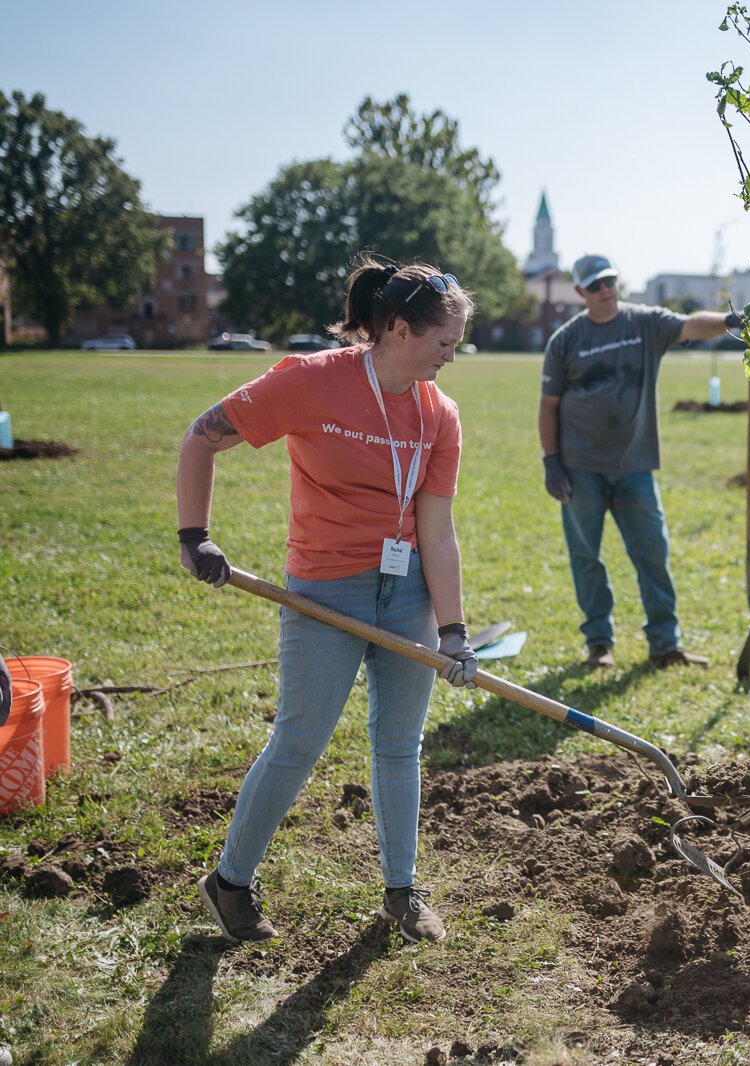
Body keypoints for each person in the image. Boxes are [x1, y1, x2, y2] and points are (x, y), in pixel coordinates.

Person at [176, 256, 480, 944]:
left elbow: (436, 528)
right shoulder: (312, 382)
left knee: (400, 746)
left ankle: (401, 893)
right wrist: (195, 536)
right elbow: (203, 436)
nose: (450, 359)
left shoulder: (440, 415)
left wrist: (454, 631)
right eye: (443, 344)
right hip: (323, 590)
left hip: (406, 594)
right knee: (298, 743)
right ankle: (229, 883)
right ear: (400, 329)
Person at [539, 254, 739, 670]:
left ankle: (665, 644)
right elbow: (548, 406)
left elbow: (690, 325)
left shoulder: (643, 323)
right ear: (580, 292)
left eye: (610, 280)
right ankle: (599, 643)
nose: (605, 290)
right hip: (580, 467)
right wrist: (551, 462)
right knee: (586, 556)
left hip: (635, 466)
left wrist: (730, 321)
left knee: (652, 554)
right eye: (595, 285)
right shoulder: (565, 341)